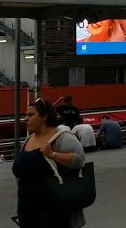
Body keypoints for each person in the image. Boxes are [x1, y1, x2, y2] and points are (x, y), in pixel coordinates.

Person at [12, 98, 85, 228]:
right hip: (27, 210)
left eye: (30, 115)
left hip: (52, 211)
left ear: (44, 116)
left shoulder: (62, 137)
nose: (25, 119)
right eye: (25, 115)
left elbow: (80, 160)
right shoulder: (29, 139)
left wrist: (53, 155)